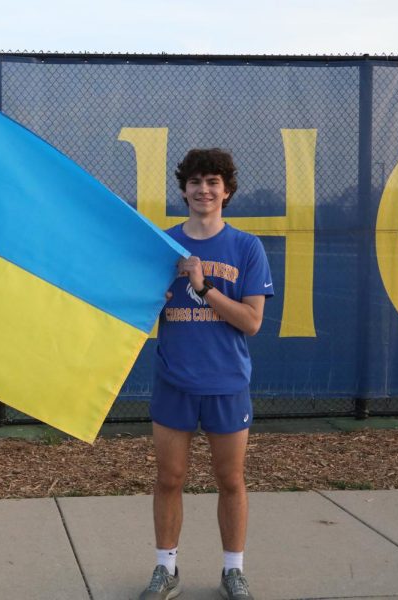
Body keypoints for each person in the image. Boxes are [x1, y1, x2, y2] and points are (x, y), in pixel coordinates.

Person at [139, 148, 273, 600]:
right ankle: (165, 569)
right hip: (174, 382)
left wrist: (204, 287)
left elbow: (252, 322)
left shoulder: (246, 247)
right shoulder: (163, 246)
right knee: (168, 479)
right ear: (183, 190)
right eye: (195, 182)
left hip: (226, 384)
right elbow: (139, 313)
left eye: (213, 182)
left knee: (230, 480)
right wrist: (152, 294)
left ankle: (233, 571)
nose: (204, 190)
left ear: (227, 191)